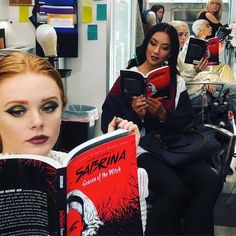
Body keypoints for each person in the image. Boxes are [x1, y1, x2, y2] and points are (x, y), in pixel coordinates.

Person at [0, 52, 148, 233]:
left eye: (48, 107)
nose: (37, 121)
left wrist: (122, 167)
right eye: (17, 111)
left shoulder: (71, 169)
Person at [101, 23, 223, 236]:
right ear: (146, 43)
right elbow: (107, 124)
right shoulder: (127, 79)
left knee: (211, 181)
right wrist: (134, 115)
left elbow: (187, 120)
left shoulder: (177, 81)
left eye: (165, 47)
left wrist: (164, 115)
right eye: (153, 43)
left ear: (171, 51)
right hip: (142, 150)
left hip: (172, 147)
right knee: (173, 188)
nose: (156, 51)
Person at [172, 20, 236, 117]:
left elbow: (194, 72)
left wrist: (205, 80)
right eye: (180, 35)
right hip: (195, 91)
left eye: (185, 35)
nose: (184, 38)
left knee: (232, 89)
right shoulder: (173, 57)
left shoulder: (180, 53)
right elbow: (180, 81)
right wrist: (197, 72)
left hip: (201, 83)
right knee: (228, 96)